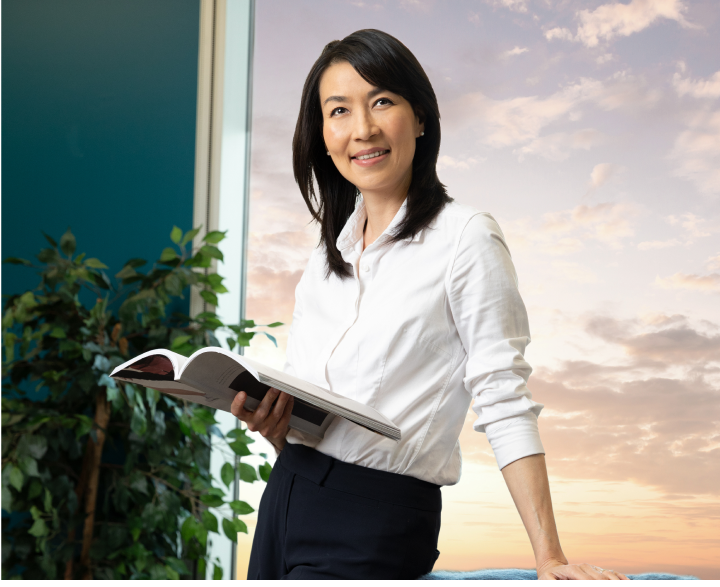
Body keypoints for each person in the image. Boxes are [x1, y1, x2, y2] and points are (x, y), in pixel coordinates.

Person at [231, 29, 628, 581]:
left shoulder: (466, 238)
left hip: (379, 517)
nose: (363, 129)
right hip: (288, 496)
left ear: (420, 117)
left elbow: (503, 394)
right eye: (339, 110)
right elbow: (314, 410)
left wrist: (549, 557)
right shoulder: (326, 258)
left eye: (382, 102)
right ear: (323, 135)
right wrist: (275, 426)